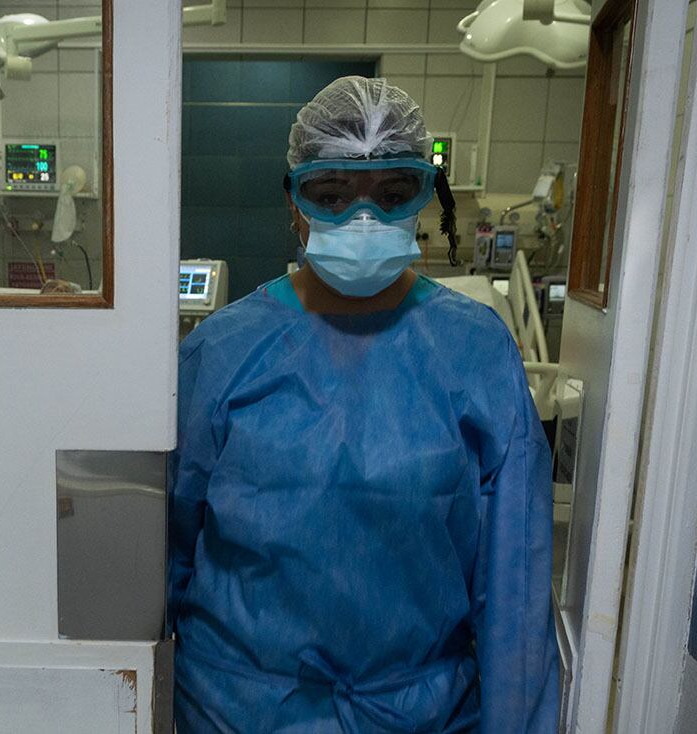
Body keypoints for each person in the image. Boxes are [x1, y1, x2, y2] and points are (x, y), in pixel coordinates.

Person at [168, 76, 559, 732]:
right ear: (294, 205)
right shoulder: (225, 351)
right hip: (237, 709)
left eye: (393, 194)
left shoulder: (472, 350)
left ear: (423, 202)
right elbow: (165, 550)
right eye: (331, 196)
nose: (362, 219)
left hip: (421, 712)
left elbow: (515, 586)